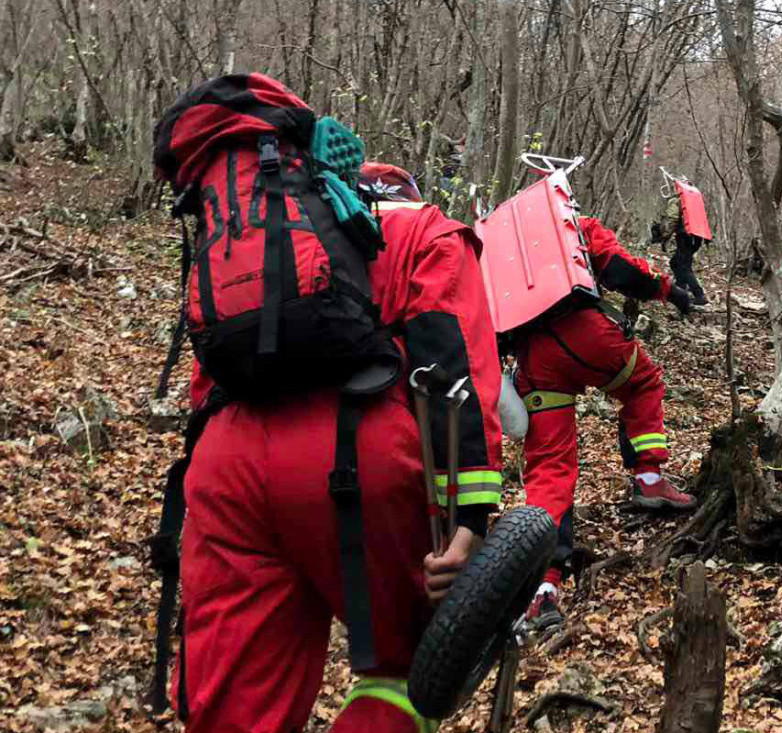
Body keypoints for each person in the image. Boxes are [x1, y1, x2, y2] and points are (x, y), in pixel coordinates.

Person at [177, 161, 503, 733]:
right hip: (355, 453)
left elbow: (209, 373)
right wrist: (469, 518)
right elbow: (453, 367)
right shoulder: (428, 231)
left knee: (236, 708)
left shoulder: (273, 235)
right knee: (403, 678)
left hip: (225, 463)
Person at [515, 214, 697, 633]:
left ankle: (543, 588)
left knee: (549, 468)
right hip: (586, 334)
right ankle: (649, 477)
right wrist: (669, 291)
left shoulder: (509, 246)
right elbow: (618, 269)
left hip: (534, 358)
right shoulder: (571, 223)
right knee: (643, 385)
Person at [654, 187, 708, 305]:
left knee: (684, 267)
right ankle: (681, 290)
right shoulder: (692, 201)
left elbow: (672, 219)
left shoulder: (677, 200)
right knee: (676, 263)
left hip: (684, 236)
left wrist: (664, 235)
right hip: (696, 236)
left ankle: (699, 295)